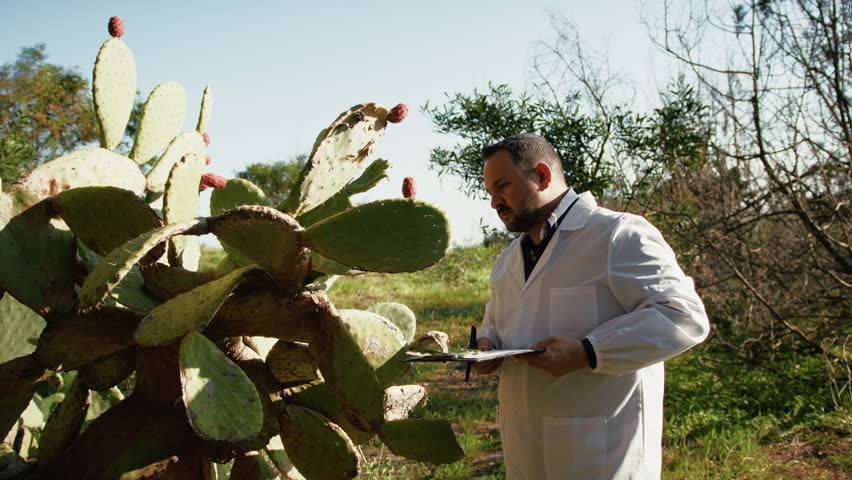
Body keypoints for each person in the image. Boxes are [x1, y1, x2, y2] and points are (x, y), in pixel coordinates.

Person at [472, 133, 710, 479]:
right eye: (490, 193)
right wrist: (487, 345)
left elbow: (683, 317)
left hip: (601, 453)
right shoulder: (507, 261)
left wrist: (589, 352)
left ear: (542, 175)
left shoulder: (617, 235)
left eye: (503, 186)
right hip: (525, 447)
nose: (495, 202)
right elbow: (495, 323)